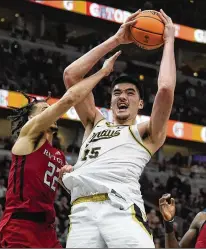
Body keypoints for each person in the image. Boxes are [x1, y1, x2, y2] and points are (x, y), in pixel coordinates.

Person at [60, 9, 176, 248]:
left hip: (121, 208)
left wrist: (169, 41)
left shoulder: (147, 132)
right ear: (111, 101)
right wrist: (116, 40)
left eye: (130, 93)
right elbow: (71, 76)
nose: (122, 97)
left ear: (140, 103)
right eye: (117, 93)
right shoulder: (94, 122)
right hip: (82, 212)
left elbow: (165, 89)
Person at [0, 52, 120, 248]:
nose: (51, 113)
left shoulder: (58, 156)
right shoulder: (29, 136)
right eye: (44, 111)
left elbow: (72, 189)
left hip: (47, 231)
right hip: (20, 227)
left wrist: (71, 178)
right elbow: (68, 100)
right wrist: (103, 72)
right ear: (32, 120)